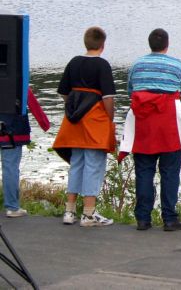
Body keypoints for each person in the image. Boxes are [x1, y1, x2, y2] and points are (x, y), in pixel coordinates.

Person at [123, 28, 181, 232]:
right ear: (167, 44)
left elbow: (131, 91)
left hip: (144, 124)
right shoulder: (176, 65)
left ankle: (143, 218)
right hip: (168, 125)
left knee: (144, 171)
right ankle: (169, 218)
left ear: (150, 44)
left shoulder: (137, 65)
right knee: (170, 172)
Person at [53, 26, 116, 227]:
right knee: (93, 166)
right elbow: (108, 97)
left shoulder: (74, 62)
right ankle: (89, 215)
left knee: (76, 164)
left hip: (73, 122)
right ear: (103, 45)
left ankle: (69, 212)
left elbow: (63, 92)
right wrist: (110, 118)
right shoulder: (102, 65)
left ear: (85, 42)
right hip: (94, 121)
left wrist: (73, 104)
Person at [1, 87, 50, 218]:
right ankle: (12, 207)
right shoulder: (17, 82)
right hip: (13, 131)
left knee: (10, 167)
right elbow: (32, 103)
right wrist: (45, 124)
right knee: (10, 168)